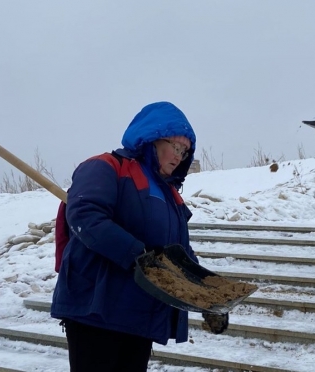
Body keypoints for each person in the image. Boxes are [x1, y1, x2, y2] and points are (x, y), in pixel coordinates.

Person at [50, 101, 228, 372]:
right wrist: (141, 257)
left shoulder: (171, 196)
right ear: (152, 139)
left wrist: (209, 297)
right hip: (98, 308)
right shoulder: (106, 166)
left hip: (140, 313)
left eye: (185, 151)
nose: (179, 156)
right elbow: (86, 216)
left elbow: (180, 255)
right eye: (175, 146)